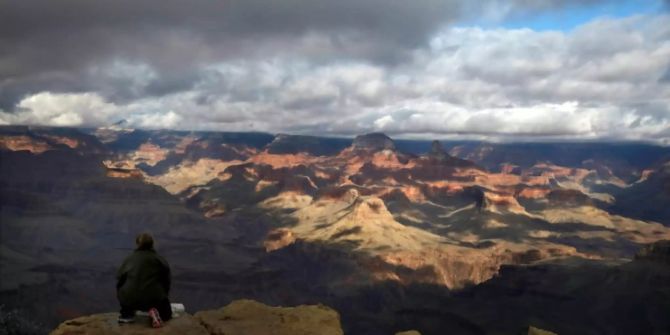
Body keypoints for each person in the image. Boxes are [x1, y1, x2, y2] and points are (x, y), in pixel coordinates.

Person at [116, 233, 172, 327]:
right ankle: (155, 312)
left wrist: (123, 296)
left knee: (123, 286)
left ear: (137, 244)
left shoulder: (129, 259)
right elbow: (167, 281)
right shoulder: (159, 259)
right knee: (167, 315)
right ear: (152, 244)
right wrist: (163, 296)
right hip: (153, 298)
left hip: (129, 299)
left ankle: (126, 314)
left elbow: (119, 278)